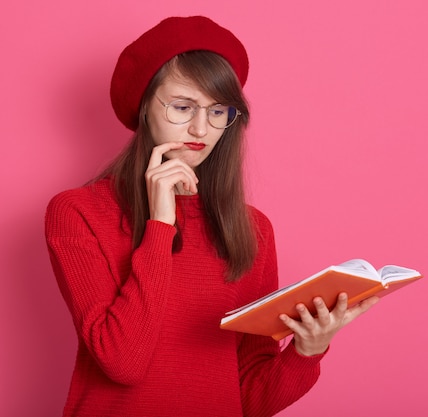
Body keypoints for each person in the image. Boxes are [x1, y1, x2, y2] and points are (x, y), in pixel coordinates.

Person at [44, 15, 378, 417]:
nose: (201, 128)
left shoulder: (252, 230)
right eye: (183, 107)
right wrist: (160, 226)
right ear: (144, 107)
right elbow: (123, 362)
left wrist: (307, 351)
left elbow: (250, 400)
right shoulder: (77, 213)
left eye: (219, 111)